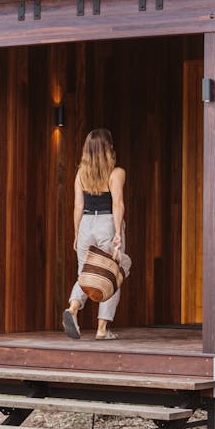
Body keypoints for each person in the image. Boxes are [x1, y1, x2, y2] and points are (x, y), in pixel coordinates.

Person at [63, 128, 127, 340]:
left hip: (86, 224)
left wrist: (75, 234)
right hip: (107, 222)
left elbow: (77, 207)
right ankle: (102, 329)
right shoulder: (116, 173)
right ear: (109, 147)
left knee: (85, 273)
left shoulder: (81, 173)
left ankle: (73, 308)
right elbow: (117, 203)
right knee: (112, 273)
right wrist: (117, 232)